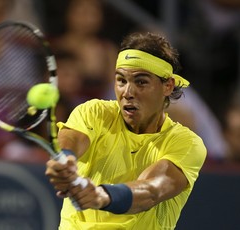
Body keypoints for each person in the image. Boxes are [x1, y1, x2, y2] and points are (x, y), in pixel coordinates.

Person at [45, 31, 207, 230]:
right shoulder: (94, 112)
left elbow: (151, 190)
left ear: (167, 86)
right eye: (121, 80)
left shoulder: (187, 143)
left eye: (141, 82)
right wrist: (66, 160)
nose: (127, 92)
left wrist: (101, 196)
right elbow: (70, 141)